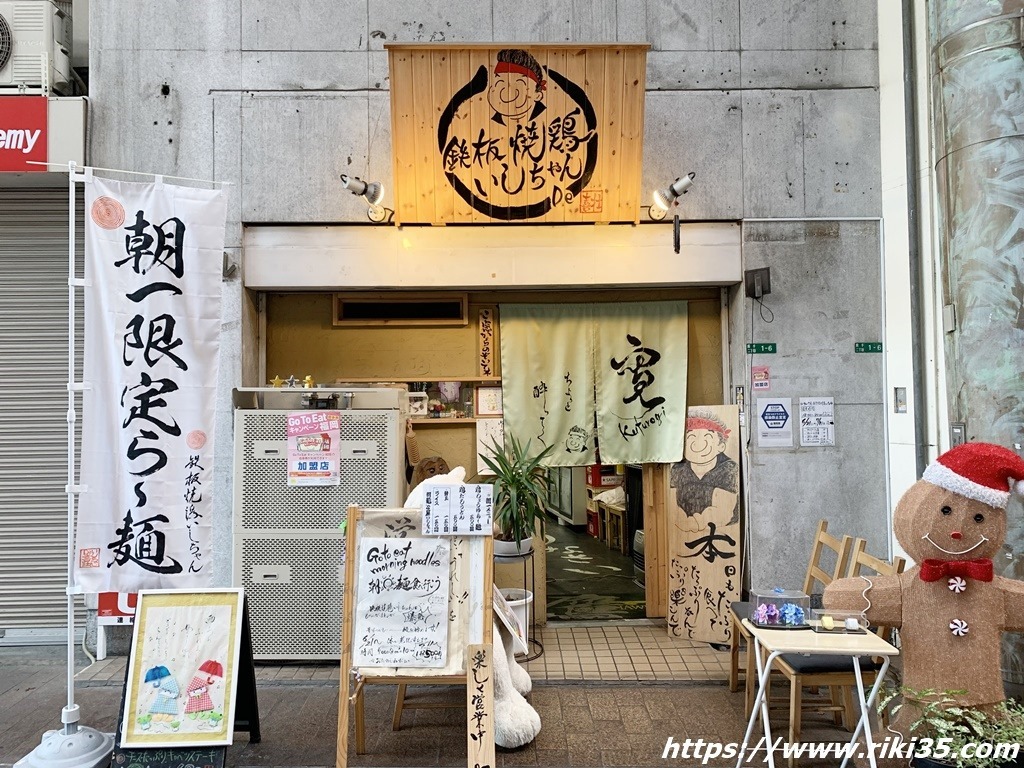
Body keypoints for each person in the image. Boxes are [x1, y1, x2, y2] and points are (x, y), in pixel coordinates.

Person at [669, 410, 739, 533]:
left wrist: (693, 523)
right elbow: (671, 504)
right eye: (690, 437)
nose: (698, 444)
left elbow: (723, 511)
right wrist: (680, 520)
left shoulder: (729, 469)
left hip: (721, 534)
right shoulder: (678, 469)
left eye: (708, 437)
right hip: (680, 533)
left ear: (721, 447)